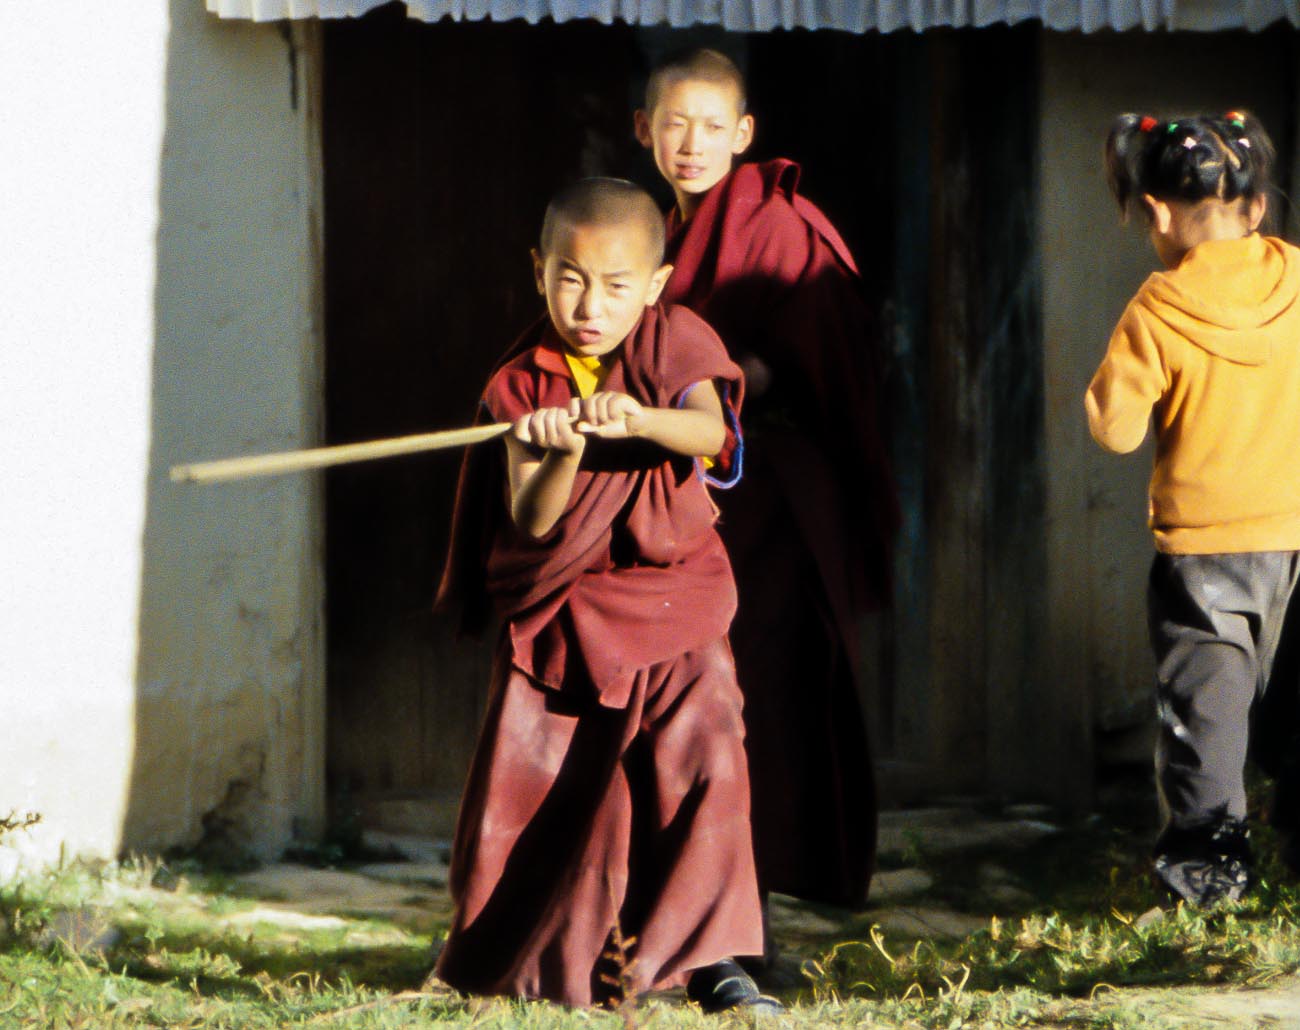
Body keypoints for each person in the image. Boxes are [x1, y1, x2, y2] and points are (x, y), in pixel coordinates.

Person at [434, 178, 781, 1013]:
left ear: (655, 286)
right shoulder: (522, 384)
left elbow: (709, 430)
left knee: (709, 756)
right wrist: (554, 449)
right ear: (539, 271)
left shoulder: (674, 338)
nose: (590, 305)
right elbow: (535, 520)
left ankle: (715, 963)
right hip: (568, 614)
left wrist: (639, 421)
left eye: (617, 285)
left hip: (676, 602)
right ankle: (547, 960)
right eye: (570, 278)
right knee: (558, 791)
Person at [633, 48, 896, 914]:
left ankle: (755, 890)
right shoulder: (653, 235)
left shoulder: (777, 225)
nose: (692, 144)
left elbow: (809, 352)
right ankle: (694, 887)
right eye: (675, 125)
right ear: (645, 131)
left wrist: (720, 386)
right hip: (698, 488)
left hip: (773, 486)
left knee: (765, 683)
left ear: (744, 135)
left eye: (713, 128)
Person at [1087, 110, 1300, 906]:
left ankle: (1209, 890)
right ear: (1254, 207)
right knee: (1294, 706)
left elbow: (1113, 430)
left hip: (1204, 558)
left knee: (1204, 724)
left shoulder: (1158, 308)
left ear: (1156, 213)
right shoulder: (1296, 277)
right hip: (1296, 537)